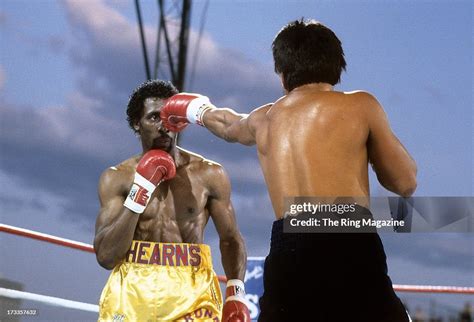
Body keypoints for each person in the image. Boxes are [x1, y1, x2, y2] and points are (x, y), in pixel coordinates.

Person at [160, 19, 417, 322]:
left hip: (288, 247)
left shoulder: (264, 118)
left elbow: (226, 124)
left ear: (282, 75)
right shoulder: (361, 105)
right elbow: (405, 182)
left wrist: (193, 109)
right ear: (338, 65)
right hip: (346, 236)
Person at [94, 80, 251, 321]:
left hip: (192, 293)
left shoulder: (209, 174)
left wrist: (236, 294)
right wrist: (140, 192)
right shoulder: (117, 178)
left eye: (169, 117)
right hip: (133, 292)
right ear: (137, 124)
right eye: (154, 118)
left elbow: (230, 240)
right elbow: (106, 256)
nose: (163, 126)